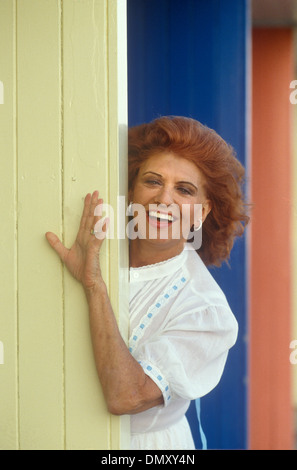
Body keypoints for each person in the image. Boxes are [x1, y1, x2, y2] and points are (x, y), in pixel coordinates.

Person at [45, 116, 249, 450]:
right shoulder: (94, 246)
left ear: (202, 210)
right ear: (131, 191)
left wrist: (94, 285)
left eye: (184, 190)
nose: (164, 199)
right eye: (152, 181)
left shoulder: (207, 312)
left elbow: (125, 396)